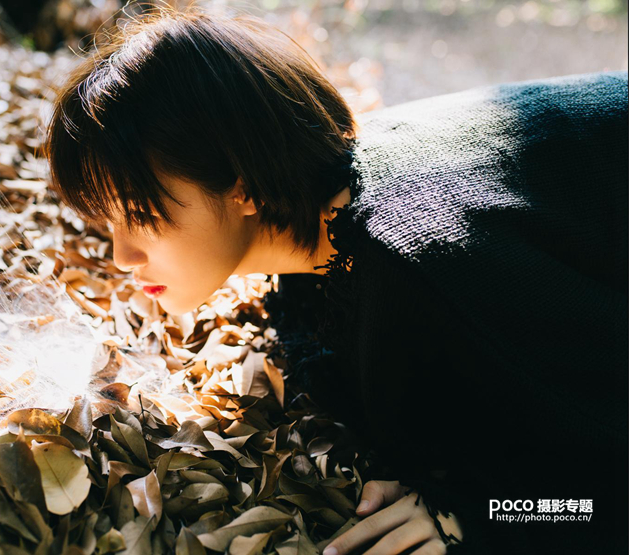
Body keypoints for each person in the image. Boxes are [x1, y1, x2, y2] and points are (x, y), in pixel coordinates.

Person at [43, 6, 628, 554]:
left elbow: (601, 492)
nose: (121, 257)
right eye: (108, 221)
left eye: (142, 217)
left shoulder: (421, 268)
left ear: (243, 185)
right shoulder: (331, 203)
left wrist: (479, 515)